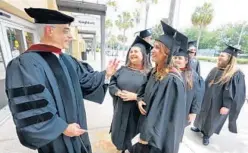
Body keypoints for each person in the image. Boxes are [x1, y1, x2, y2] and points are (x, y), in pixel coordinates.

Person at [5, 8, 119, 153]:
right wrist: (62, 127)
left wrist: (106, 75)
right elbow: (32, 105)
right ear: (49, 30)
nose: (70, 36)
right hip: (56, 140)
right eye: (65, 31)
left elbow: (85, 81)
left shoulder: (67, 60)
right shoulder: (25, 64)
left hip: (77, 130)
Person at [132, 21, 187, 153]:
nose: (153, 50)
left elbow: (163, 115)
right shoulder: (154, 72)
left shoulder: (172, 80)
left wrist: (146, 136)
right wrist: (139, 100)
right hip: (148, 128)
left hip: (157, 138)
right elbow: (143, 90)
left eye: (157, 48)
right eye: (154, 47)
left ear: (166, 53)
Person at [191, 45, 246, 146]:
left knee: (212, 118)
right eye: (219, 55)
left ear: (230, 59)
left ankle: (207, 135)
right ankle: (198, 126)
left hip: (219, 103)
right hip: (207, 98)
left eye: (222, 56)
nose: (219, 57)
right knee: (202, 113)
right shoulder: (215, 69)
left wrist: (227, 106)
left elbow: (236, 93)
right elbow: (206, 83)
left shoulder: (235, 74)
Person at [109, 36, 153, 153]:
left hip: (136, 114)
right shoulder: (122, 70)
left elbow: (152, 94)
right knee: (118, 136)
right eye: (131, 51)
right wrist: (117, 92)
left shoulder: (149, 74)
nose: (132, 54)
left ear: (143, 55)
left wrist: (135, 97)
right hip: (120, 110)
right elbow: (112, 84)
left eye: (136, 51)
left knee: (132, 139)